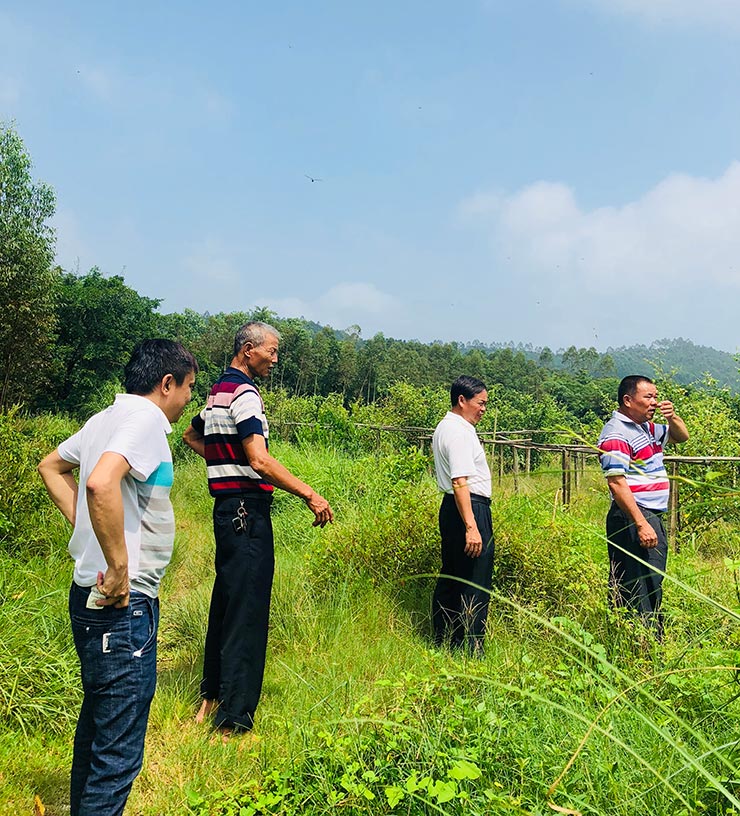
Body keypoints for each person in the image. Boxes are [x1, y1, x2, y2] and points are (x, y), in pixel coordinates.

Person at [38, 339, 198, 816]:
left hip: (87, 597)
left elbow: (52, 466)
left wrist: (88, 528)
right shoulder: (145, 420)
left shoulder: (104, 418)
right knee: (119, 751)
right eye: (189, 387)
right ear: (166, 383)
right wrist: (121, 566)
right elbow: (98, 482)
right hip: (119, 607)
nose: (190, 398)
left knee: (99, 726)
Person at [183, 320, 333, 738]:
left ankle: (210, 697)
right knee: (247, 613)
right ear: (248, 350)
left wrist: (220, 460)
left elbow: (192, 436)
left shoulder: (218, 392)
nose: (275, 358)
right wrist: (310, 494)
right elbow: (259, 459)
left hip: (225, 511)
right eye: (271, 351)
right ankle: (234, 720)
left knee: (226, 603)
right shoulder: (245, 394)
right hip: (248, 512)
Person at [598, 375, 689, 636]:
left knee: (652, 579)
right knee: (634, 581)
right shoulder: (616, 433)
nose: (654, 402)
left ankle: (647, 639)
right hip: (633, 516)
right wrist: (641, 523)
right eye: (648, 397)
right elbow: (616, 483)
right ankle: (636, 640)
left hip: (650, 515)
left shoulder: (645, 429)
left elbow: (681, 437)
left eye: (655, 397)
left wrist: (672, 417)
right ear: (628, 400)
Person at [431, 375, 495, 655]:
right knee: (474, 579)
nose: (483, 409)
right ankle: (471, 646)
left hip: (455, 507)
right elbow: (460, 481)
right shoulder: (457, 432)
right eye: (480, 403)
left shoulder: (449, 427)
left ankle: (447, 641)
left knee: (453, 575)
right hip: (469, 507)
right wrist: (472, 525)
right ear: (462, 400)